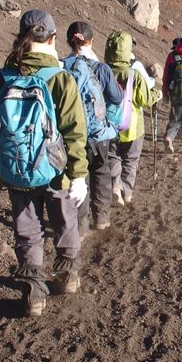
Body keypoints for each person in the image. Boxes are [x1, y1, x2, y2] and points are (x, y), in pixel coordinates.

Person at [0, 9, 88, 317]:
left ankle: (34, 296)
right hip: (55, 171)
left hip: (17, 170)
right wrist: (79, 175)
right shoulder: (61, 79)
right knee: (64, 222)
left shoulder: (2, 77)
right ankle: (67, 277)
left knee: (27, 229)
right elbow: (74, 132)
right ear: (53, 39)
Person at [63, 21, 122, 234]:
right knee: (100, 172)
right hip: (98, 134)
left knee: (78, 177)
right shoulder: (101, 68)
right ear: (91, 41)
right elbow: (116, 97)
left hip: (71, 135)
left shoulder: (61, 67)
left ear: (69, 41)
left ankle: (80, 225)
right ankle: (102, 218)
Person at [105, 30, 161, 205]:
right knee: (131, 160)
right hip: (133, 126)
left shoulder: (102, 71)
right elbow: (144, 100)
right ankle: (127, 192)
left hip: (109, 124)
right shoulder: (134, 74)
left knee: (113, 156)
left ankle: (115, 184)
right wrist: (156, 94)